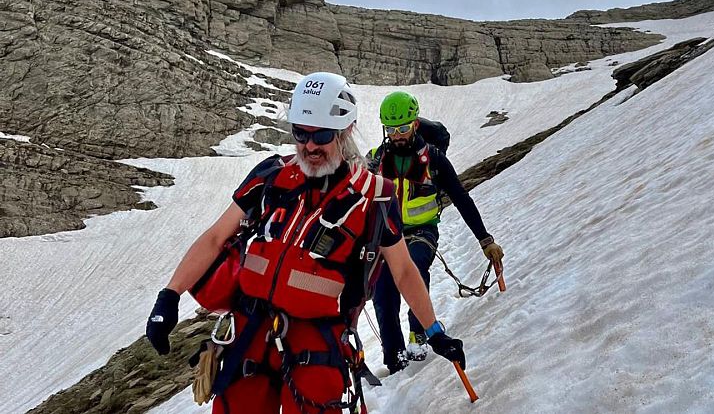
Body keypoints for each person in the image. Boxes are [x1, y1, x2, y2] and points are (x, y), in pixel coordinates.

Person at [145, 73, 465, 414]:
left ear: (345, 131)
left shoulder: (375, 197)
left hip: (318, 342)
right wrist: (169, 296)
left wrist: (433, 331)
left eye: (322, 135)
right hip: (248, 334)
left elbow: (403, 270)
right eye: (301, 133)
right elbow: (216, 237)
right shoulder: (271, 175)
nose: (310, 146)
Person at [367, 91, 504, 374]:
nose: (397, 136)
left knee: (415, 267)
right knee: (383, 292)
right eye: (391, 130)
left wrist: (485, 240)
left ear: (415, 124)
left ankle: (418, 334)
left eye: (403, 128)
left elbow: (461, 198)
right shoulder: (376, 159)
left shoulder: (434, 159)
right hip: (386, 236)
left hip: (422, 231)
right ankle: (394, 359)